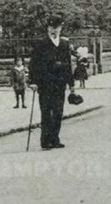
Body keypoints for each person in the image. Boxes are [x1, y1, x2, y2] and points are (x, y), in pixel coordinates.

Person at [28, 14, 76, 150]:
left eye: (57, 27)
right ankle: (45, 140)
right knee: (46, 112)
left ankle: (55, 138)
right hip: (45, 84)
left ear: (61, 28)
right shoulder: (41, 44)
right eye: (51, 27)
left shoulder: (64, 44)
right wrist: (33, 81)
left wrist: (71, 85)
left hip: (60, 84)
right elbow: (33, 64)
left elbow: (68, 65)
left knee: (58, 112)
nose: (54, 30)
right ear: (48, 28)